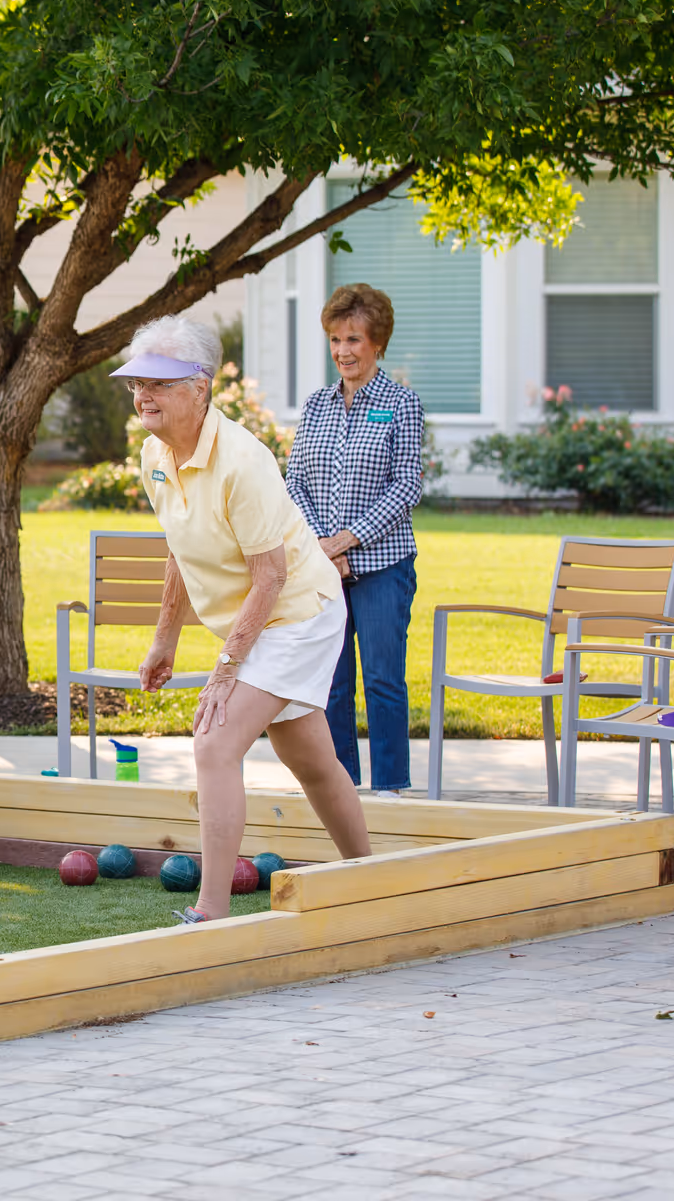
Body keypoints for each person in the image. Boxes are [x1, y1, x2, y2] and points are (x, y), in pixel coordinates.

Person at [123, 315, 372, 923]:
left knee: (213, 741)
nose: (143, 395)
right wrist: (165, 638)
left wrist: (225, 671)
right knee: (311, 760)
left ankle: (211, 912)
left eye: (159, 382)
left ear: (200, 387)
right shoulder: (156, 455)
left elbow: (272, 577)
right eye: (135, 383)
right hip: (260, 620)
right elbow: (180, 548)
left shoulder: (242, 461)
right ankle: (371, 877)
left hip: (298, 614)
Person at [286, 283, 425, 799]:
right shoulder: (317, 406)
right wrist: (323, 548)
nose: (344, 350)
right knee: (333, 683)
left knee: (384, 681)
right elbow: (294, 481)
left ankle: (391, 790)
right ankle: (341, 787)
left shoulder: (401, 403)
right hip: (322, 567)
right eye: (336, 339)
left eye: (354, 339)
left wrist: (346, 540)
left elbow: (407, 484)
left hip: (383, 566)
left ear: (377, 343)